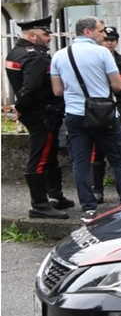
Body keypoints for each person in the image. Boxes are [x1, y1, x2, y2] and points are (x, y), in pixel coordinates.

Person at [50, 16, 121, 221]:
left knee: (80, 162)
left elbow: (57, 90)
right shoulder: (102, 53)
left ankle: (88, 209)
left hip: (75, 114)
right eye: (100, 31)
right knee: (120, 159)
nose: (104, 34)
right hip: (104, 114)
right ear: (87, 32)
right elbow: (118, 86)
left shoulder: (60, 55)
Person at [4, 17, 75, 219]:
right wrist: (20, 107)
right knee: (41, 157)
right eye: (45, 34)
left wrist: (21, 107)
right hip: (42, 113)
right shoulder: (34, 56)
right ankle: (40, 205)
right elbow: (30, 88)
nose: (49, 37)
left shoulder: (16, 52)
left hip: (37, 111)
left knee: (50, 153)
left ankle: (56, 196)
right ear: (32, 36)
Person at [91, 26, 121, 206]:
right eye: (106, 39)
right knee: (98, 151)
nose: (109, 43)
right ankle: (97, 189)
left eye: (112, 40)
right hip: (100, 110)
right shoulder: (94, 60)